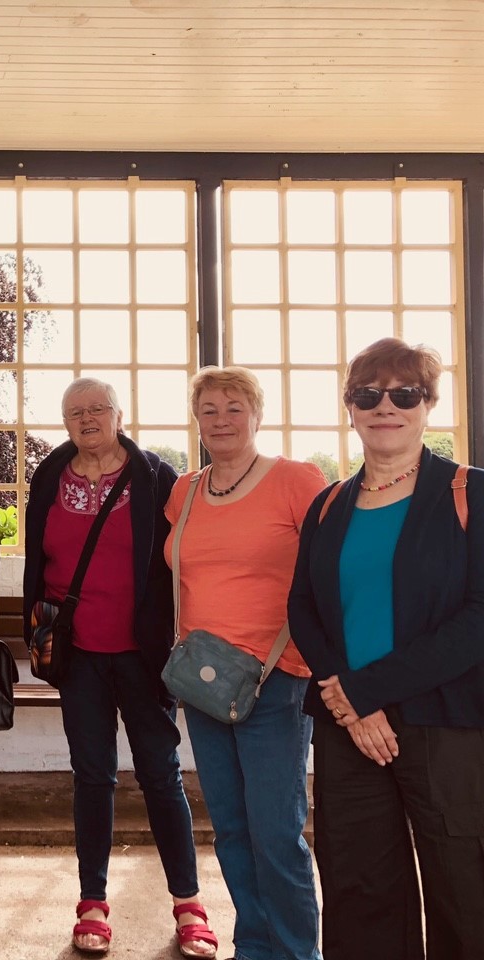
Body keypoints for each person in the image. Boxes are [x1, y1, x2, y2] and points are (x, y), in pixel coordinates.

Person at [288, 338, 484, 960]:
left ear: (429, 404)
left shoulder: (470, 493)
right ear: (350, 407)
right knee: (359, 886)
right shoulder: (328, 504)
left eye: (405, 394)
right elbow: (303, 608)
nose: (386, 407)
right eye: (369, 394)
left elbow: (479, 617)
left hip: (446, 723)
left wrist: (365, 690)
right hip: (348, 727)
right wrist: (349, 702)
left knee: (464, 886)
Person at [24, 378, 216, 958]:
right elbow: (37, 560)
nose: (87, 419)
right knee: (92, 776)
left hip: (143, 655)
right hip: (77, 655)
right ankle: (92, 903)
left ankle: (189, 904)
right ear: (64, 422)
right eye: (74, 412)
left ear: (119, 414)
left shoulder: (155, 476)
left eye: (97, 409)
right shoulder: (48, 477)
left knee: (160, 774)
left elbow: (185, 555)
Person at [164, 366, 326, 960]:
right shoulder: (185, 491)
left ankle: (295, 951)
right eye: (209, 409)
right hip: (204, 682)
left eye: (235, 407)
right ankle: (254, 945)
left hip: (274, 679)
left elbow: (329, 568)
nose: (222, 419)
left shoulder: (296, 480)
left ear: (258, 415)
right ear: (196, 420)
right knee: (231, 827)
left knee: (277, 833)